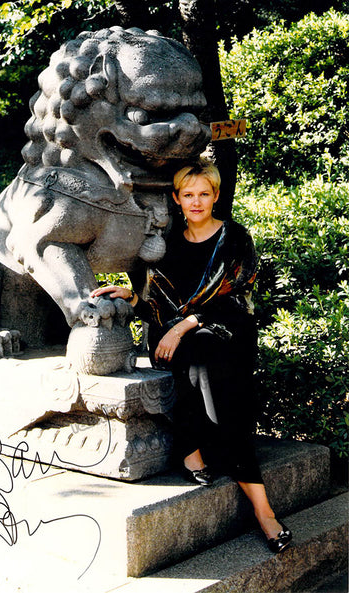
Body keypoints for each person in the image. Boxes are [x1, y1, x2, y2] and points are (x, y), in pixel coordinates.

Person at [91, 159, 292, 553]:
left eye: (204, 194)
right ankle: (243, 489)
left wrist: (183, 326)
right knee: (194, 352)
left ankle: (202, 457)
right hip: (183, 343)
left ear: (215, 196)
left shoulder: (234, 238)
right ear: (177, 198)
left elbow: (236, 299)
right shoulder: (169, 246)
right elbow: (158, 308)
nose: (196, 202)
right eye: (188, 195)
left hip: (228, 333)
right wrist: (131, 297)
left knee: (202, 351)